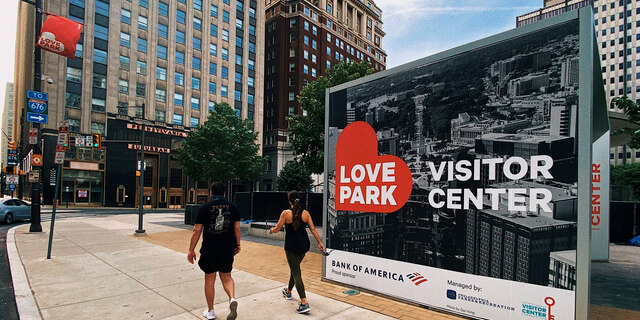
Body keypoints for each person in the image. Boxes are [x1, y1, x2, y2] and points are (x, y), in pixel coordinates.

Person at [188, 183, 241, 320]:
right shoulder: (233, 207)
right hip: (227, 247)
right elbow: (236, 229)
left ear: (211, 192)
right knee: (227, 276)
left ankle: (211, 311)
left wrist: (191, 250)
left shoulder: (204, 208)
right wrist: (238, 244)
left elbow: (197, 230)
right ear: (224, 193)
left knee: (210, 278)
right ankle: (232, 299)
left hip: (210, 247)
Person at [269, 190, 324, 314]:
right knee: (295, 269)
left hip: (291, 247)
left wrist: (271, 230)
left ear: (289, 201)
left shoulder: (286, 213)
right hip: (304, 245)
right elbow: (313, 229)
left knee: (296, 273)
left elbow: (278, 228)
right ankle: (288, 292)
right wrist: (320, 243)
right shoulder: (305, 213)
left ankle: (304, 302)